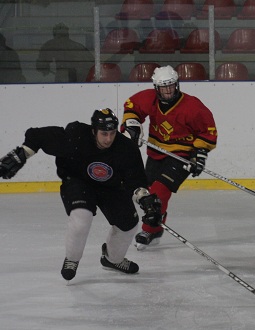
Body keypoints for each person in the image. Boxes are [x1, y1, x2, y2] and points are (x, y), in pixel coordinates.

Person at [0, 108, 162, 281]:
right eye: (104, 133)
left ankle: (113, 260)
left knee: (129, 225)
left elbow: (136, 181)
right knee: (81, 219)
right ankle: (72, 258)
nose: (108, 139)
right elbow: (38, 136)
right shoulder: (76, 136)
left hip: (111, 188)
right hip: (78, 181)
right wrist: (22, 154)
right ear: (93, 130)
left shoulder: (126, 148)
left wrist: (146, 201)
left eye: (112, 133)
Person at [121, 65, 218, 250]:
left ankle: (149, 229)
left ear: (177, 85)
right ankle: (157, 227)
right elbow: (131, 107)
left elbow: (208, 132)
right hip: (156, 152)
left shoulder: (192, 106)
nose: (167, 91)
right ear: (156, 88)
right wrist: (132, 125)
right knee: (147, 193)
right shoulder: (149, 98)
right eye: (163, 87)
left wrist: (199, 155)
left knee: (159, 193)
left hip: (181, 156)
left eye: (171, 86)